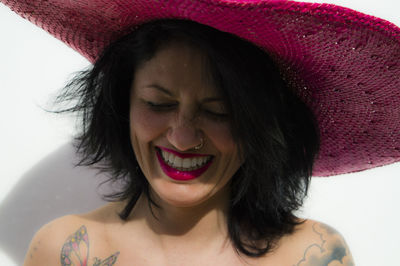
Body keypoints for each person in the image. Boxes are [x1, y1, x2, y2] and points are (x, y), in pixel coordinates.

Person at [1, 0, 399, 265]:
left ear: (262, 126)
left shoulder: (313, 255)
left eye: (219, 112)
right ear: (122, 106)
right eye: (159, 105)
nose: (183, 137)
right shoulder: (64, 250)